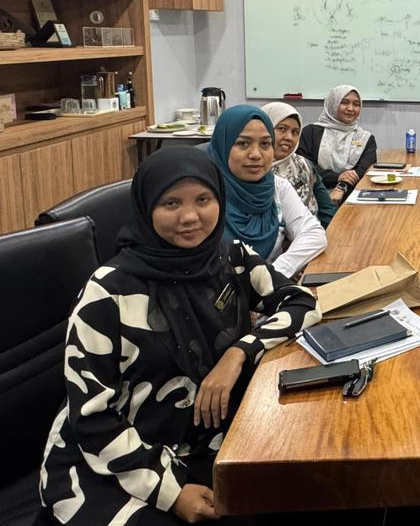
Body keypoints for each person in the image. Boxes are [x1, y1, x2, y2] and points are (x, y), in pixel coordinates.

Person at [39, 147, 321, 525]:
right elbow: (91, 419)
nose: (190, 216)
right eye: (171, 203)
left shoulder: (230, 259)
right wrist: (171, 492)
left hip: (204, 441)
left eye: (203, 199)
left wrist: (239, 352)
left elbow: (301, 302)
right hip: (112, 459)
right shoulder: (107, 292)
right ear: (146, 208)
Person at [209, 105, 327, 278]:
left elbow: (314, 233)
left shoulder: (277, 186)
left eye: (265, 144)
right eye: (243, 143)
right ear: (223, 144)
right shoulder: (203, 190)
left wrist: (273, 273)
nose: (256, 154)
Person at [297, 85, 378, 204]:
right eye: (344, 103)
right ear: (333, 104)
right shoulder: (310, 133)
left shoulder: (366, 138)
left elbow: (362, 171)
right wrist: (337, 177)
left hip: (351, 197)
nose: (350, 108)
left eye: (356, 104)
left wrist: (341, 187)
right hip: (313, 194)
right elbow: (304, 167)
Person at [262, 101, 337, 228]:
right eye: (282, 129)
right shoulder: (253, 171)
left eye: (295, 132)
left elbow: (327, 209)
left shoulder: (304, 165)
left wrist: (332, 233)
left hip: (313, 233)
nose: (289, 137)